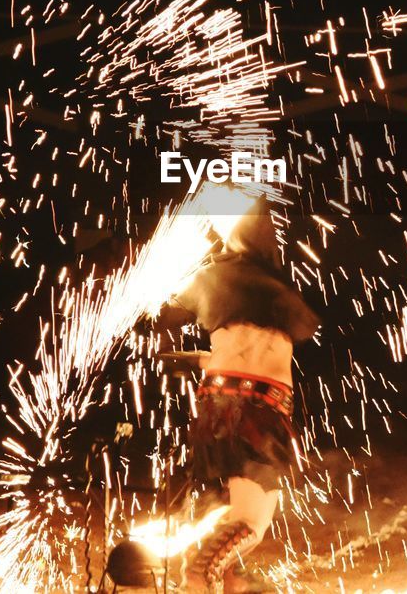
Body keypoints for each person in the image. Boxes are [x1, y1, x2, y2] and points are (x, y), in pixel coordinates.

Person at [156, 195, 319, 593]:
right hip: (259, 410)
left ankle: (229, 583)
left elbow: (169, 318)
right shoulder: (281, 291)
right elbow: (293, 334)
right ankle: (198, 575)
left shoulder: (211, 276)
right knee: (251, 521)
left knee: (235, 514)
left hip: (217, 404)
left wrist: (190, 358)